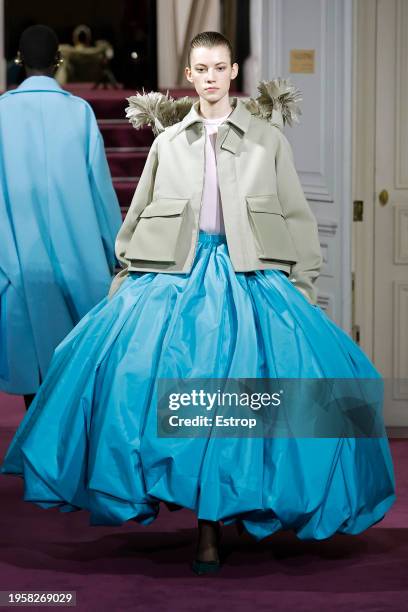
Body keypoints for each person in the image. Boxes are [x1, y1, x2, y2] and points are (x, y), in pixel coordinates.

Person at [0, 31, 396, 575]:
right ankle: (207, 526)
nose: (209, 78)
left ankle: (231, 509)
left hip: (250, 276)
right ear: (189, 76)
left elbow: (296, 217)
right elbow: (138, 215)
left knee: (282, 397)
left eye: (218, 67)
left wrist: (302, 290)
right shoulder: (169, 142)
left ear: (234, 72)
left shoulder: (265, 140)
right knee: (158, 391)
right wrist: (126, 280)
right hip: (176, 279)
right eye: (200, 69)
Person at [0, 25, 122, 408]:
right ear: (59, 61)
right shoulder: (79, 112)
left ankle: (35, 454)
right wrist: (117, 250)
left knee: (32, 371)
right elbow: (101, 192)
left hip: (18, 262)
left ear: (19, 61)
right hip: (77, 260)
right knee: (73, 371)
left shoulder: (1, 112)